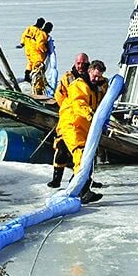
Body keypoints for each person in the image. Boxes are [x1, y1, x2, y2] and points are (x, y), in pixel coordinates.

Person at [55, 60, 108, 204]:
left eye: (99, 76)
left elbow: (106, 92)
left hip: (85, 126)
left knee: (89, 154)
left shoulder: (98, 85)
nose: (96, 79)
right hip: (71, 124)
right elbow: (79, 103)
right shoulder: (79, 85)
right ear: (89, 71)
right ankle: (83, 192)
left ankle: (76, 182)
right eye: (94, 76)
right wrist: (90, 114)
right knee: (80, 153)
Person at [47, 53, 90, 188]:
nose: (81, 66)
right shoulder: (68, 78)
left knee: (86, 152)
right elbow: (60, 96)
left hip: (84, 122)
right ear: (75, 63)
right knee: (62, 149)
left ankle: (84, 179)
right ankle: (56, 179)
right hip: (69, 120)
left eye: (84, 63)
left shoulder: (90, 79)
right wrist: (69, 108)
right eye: (79, 63)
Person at [17, 17, 45, 82]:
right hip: (34, 50)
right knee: (37, 63)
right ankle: (35, 78)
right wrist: (44, 50)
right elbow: (39, 44)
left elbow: (24, 36)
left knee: (30, 62)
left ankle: (27, 76)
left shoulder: (29, 28)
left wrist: (22, 43)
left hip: (27, 49)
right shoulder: (39, 32)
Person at [30, 22, 51, 96]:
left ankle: (39, 90)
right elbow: (40, 44)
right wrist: (45, 49)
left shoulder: (41, 33)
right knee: (38, 74)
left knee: (40, 75)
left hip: (36, 56)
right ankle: (37, 91)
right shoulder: (42, 34)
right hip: (38, 58)